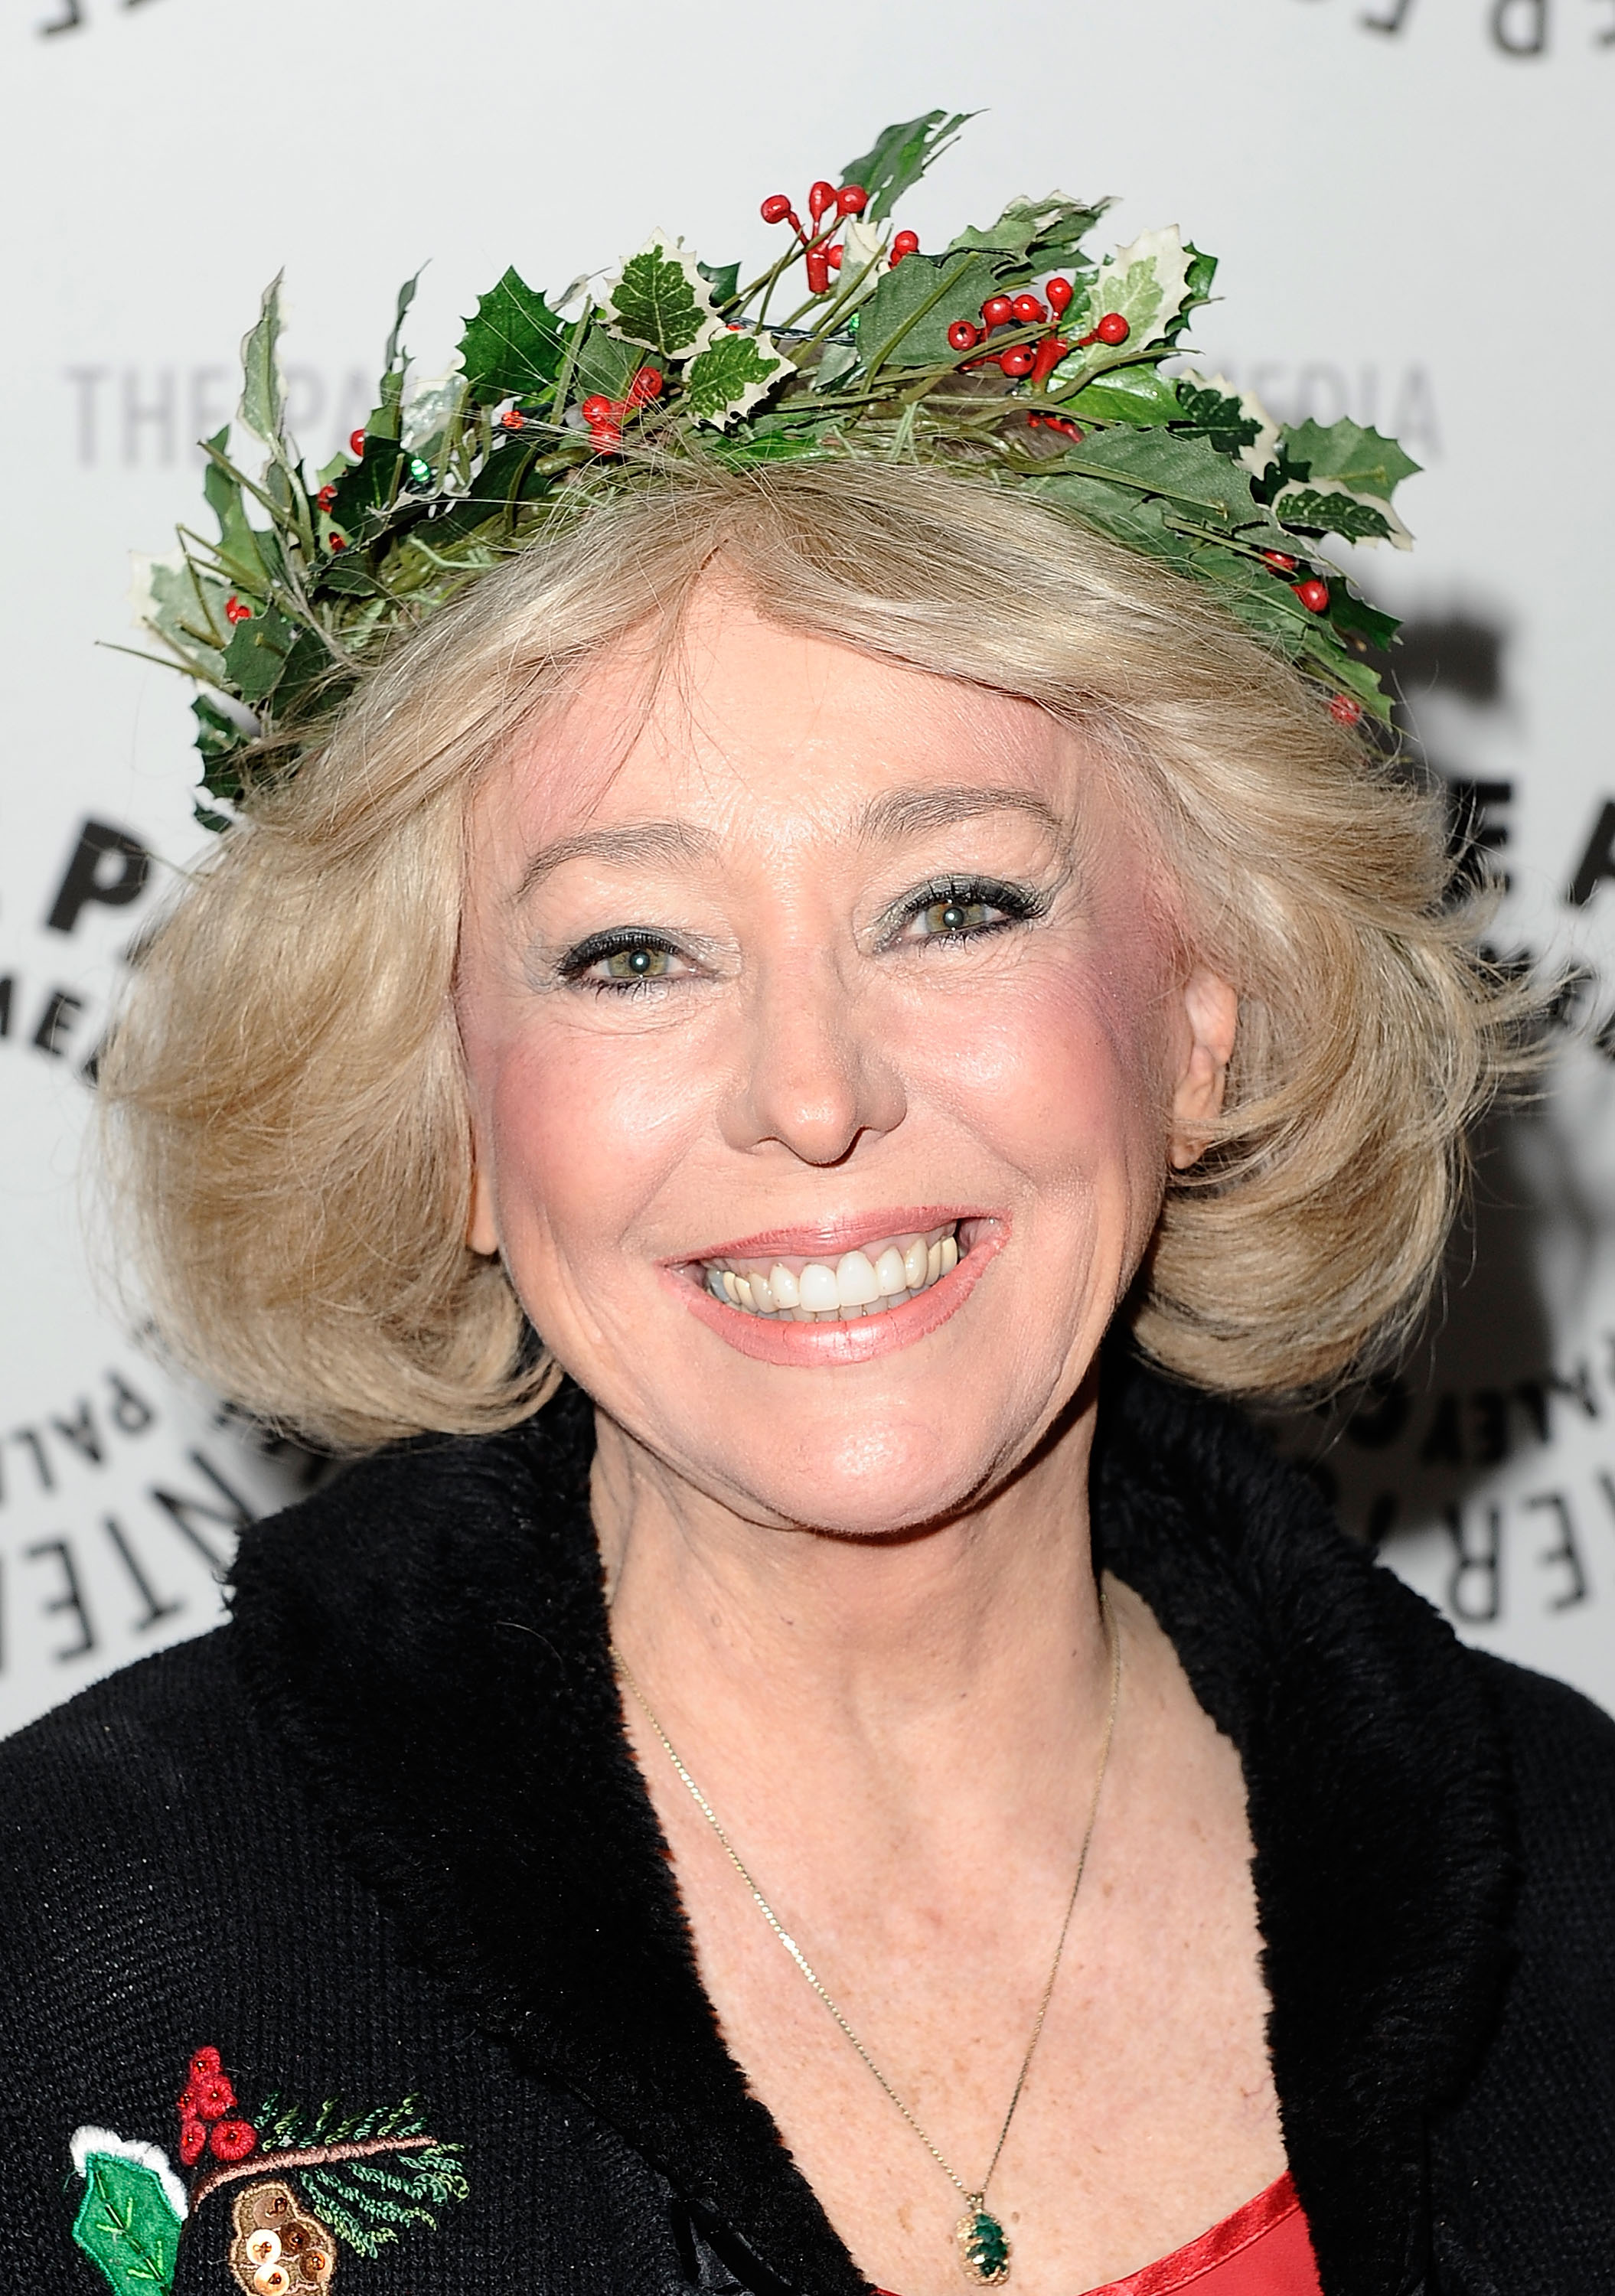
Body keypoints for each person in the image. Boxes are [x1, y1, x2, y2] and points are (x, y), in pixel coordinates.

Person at [4, 132, 1613, 2296]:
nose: (814, 1096)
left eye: (955, 906)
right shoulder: (85, 1948)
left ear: (1204, 1027)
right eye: (631, 951)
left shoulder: (1578, 1897)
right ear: (454, 1116)